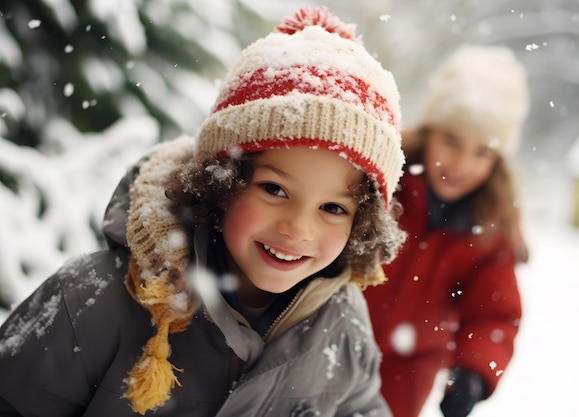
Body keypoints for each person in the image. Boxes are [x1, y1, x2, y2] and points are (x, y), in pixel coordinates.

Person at [0, 7, 408, 416]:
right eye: (274, 189)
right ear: (220, 182)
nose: (298, 228)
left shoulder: (341, 325)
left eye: (333, 208)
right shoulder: (93, 299)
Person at [364, 44, 530, 417]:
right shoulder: (383, 182)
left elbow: (494, 314)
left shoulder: (491, 229)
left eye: (482, 152)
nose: (461, 163)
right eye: (451, 141)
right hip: (335, 338)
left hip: (408, 372)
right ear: (429, 133)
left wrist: (474, 370)